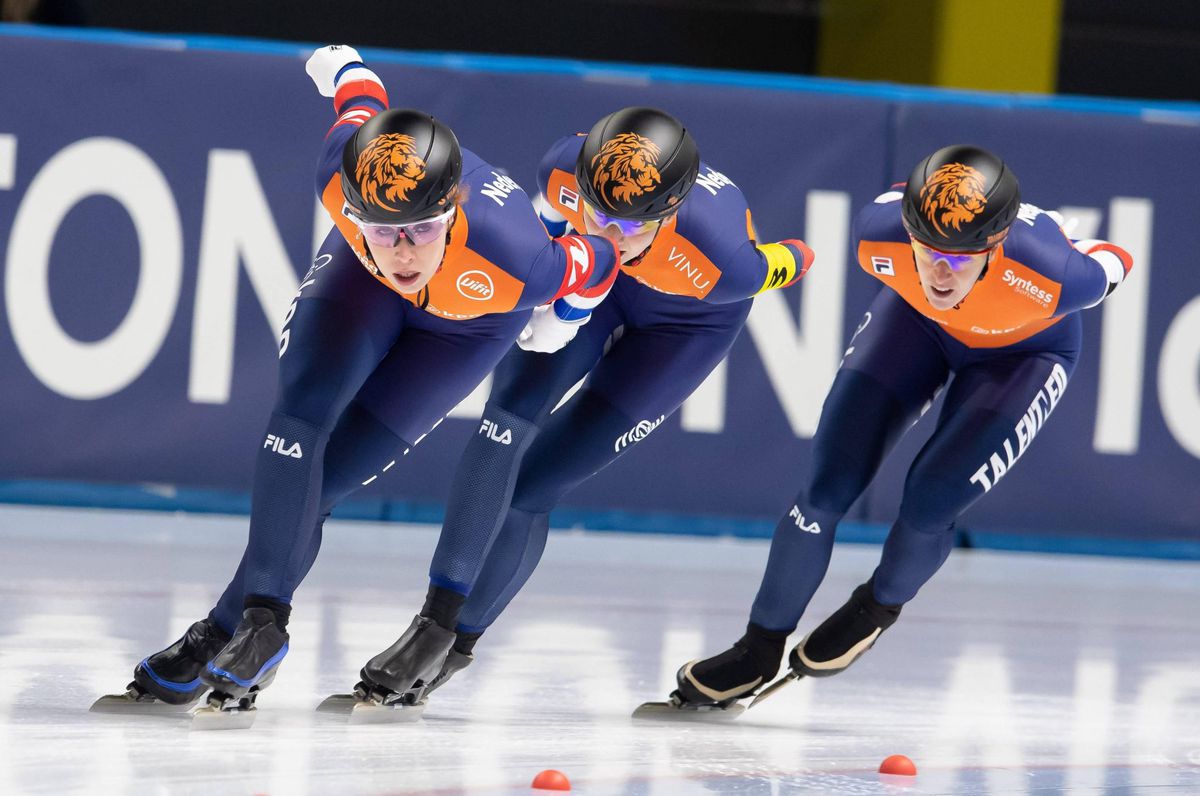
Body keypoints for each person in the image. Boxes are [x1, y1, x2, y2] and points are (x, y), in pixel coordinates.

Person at [91, 45, 620, 722]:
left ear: (453, 210)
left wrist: (561, 324)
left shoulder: (521, 259)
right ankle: (262, 625)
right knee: (301, 417)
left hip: (468, 325)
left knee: (328, 480)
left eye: (422, 230)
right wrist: (337, 61)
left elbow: (600, 262)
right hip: (356, 285)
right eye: (384, 230)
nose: (403, 252)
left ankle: (214, 636)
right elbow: (358, 96)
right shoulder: (340, 181)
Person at [646, 144, 1134, 715]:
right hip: (915, 325)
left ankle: (876, 609)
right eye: (928, 250)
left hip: (1025, 355)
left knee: (931, 501)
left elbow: (1115, 257)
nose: (942, 271)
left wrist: (1072, 246)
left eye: (962, 254)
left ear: (996, 244)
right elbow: (901, 199)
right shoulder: (879, 235)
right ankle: (757, 649)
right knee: (826, 486)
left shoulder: (1054, 275)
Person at [364, 106, 815, 710]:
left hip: (685, 328)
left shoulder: (726, 262)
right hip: (596, 290)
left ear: (671, 211)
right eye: (600, 214)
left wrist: (793, 253)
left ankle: (457, 647)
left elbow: (796, 258)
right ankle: (432, 625)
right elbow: (548, 231)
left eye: (634, 225)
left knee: (533, 487)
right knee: (503, 423)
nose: (613, 236)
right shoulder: (563, 170)